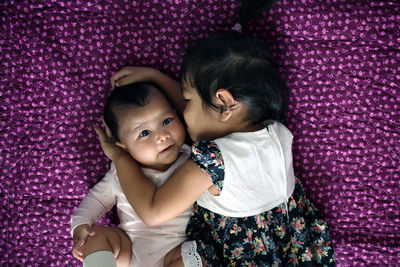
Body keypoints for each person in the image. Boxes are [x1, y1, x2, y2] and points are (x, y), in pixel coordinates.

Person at [97, 0, 336, 266]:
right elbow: (209, 112)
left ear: (224, 103)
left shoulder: (213, 159)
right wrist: (155, 78)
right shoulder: (276, 130)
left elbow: (153, 212)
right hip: (294, 249)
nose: (181, 114)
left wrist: (120, 157)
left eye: (185, 101)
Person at [70, 82, 192, 267]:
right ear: (123, 146)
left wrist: (153, 77)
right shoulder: (120, 172)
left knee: (191, 258)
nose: (162, 136)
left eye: (166, 121)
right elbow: (97, 199)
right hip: (129, 246)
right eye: (144, 132)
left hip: (178, 248)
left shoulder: (192, 159)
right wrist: (80, 226)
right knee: (95, 237)